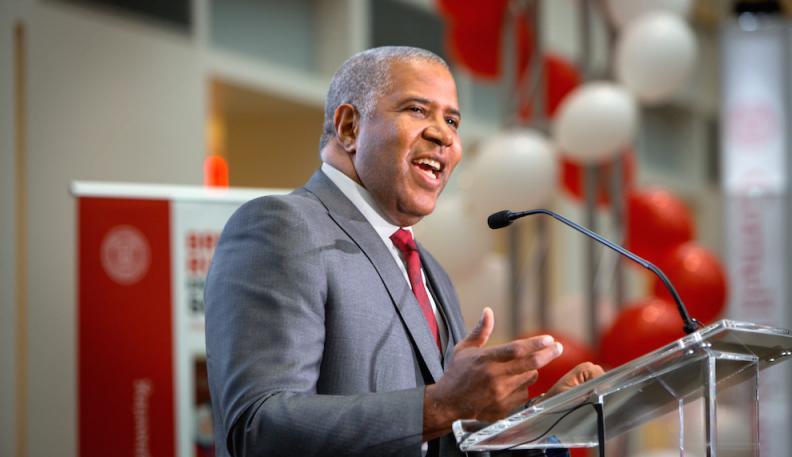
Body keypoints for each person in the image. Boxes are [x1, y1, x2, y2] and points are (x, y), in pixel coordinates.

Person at [204, 46, 603, 457]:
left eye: (452, 120)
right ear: (348, 127)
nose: (443, 134)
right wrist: (444, 405)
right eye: (417, 110)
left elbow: (442, 439)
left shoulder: (429, 270)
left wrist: (542, 422)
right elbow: (257, 428)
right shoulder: (283, 227)